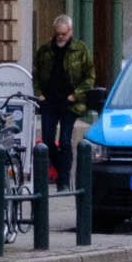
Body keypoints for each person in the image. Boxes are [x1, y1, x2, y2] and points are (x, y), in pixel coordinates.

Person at [32, 14, 96, 191]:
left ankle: (64, 181)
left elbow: (90, 76)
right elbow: (36, 75)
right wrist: (39, 94)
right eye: (58, 34)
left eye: (64, 34)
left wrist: (76, 95)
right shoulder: (45, 51)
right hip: (49, 102)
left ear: (70, 32)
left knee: (66, 141)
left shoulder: (80, 49)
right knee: (47, 141)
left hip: (70, 103)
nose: (61, 37)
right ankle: (62, 171)